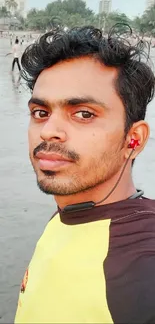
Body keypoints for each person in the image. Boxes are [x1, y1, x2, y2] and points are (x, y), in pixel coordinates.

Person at [15, 26, 155, 324]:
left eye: (83, 114)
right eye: (41, 112)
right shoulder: (66, 213)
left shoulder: (142, 265)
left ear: (135, 139)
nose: (48, 130)